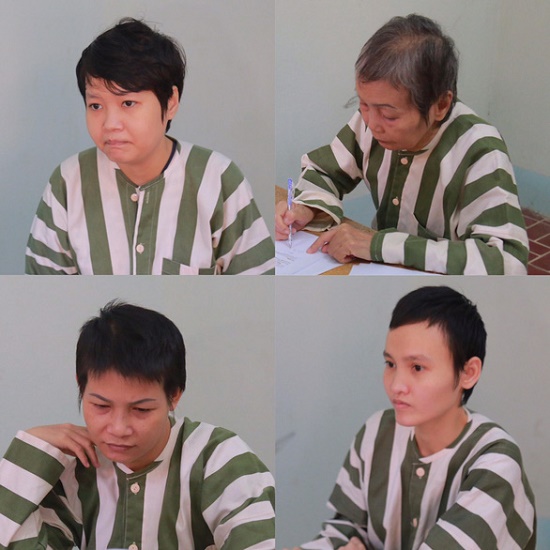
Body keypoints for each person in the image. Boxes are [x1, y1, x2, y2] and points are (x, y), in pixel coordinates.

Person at [0, 301, 275, 549]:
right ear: (81, 386)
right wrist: (27, 451)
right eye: (101, 406)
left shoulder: (219, 459)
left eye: (141, 410)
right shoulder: (74, 470)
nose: (118, 428)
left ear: (174, 396)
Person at [275, 14, 528, 275]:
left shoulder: (480, 151)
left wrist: (381, 245)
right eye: (363, 104)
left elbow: (507, 262)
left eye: (389, 115)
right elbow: (325, 171)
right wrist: (306, 207)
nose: (372, 124)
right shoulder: (368, 122)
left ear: (441, 105)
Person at [286, 286, 536, 549]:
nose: (396, 385)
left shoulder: (496, 464)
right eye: (390, 364)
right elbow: (348, 529)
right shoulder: (376, 432)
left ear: (468, 372)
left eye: (417, 367)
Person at [26, 18, 274, 275]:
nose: (110, 124)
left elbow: (258, 278)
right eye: (96, 106)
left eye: (128, 103)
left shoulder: (219, 179)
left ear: (171, 102)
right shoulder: (68, 182)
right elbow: (42, 280)